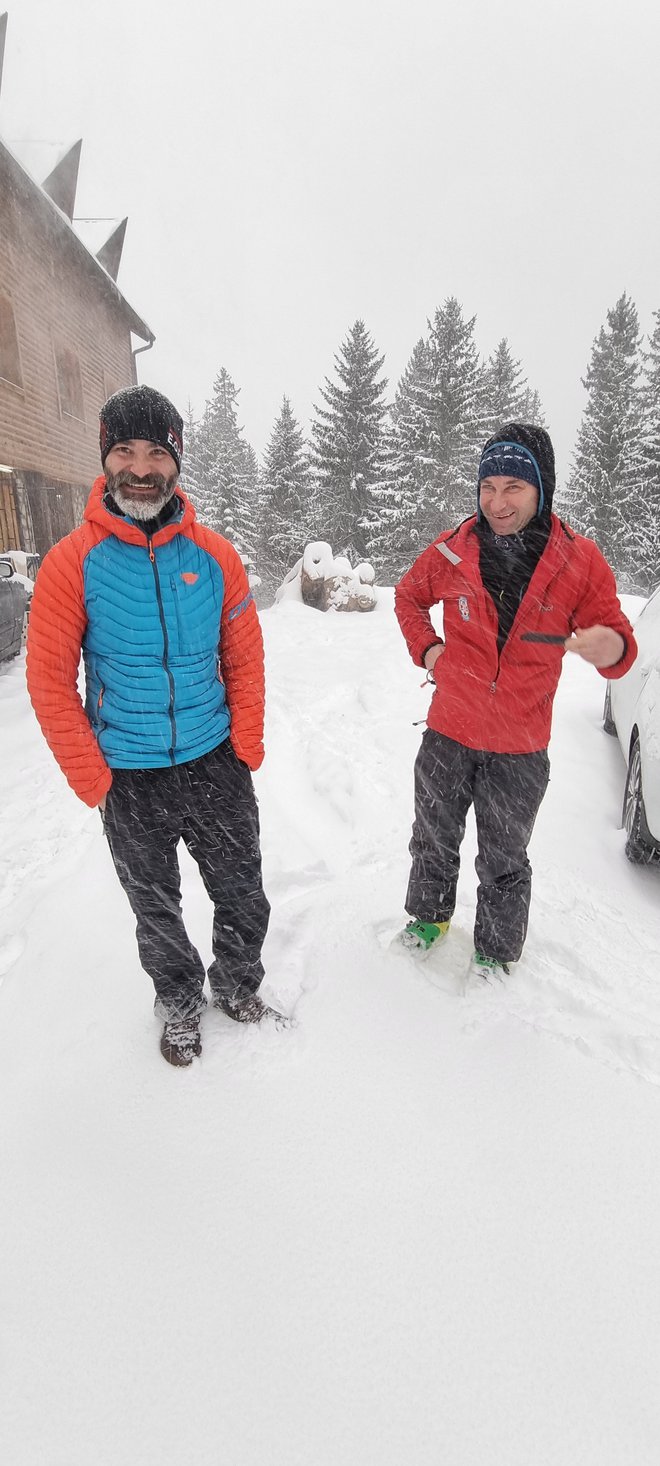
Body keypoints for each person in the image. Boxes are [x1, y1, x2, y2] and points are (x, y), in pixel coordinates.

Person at [27, 385, 275, 1066]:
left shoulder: (215, 556)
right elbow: (50, 680)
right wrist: (95, 777)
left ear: (177, 462)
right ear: (106, 458)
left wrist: (245, 746)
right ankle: (179, 1002)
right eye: (125, 450)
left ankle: (236, 984)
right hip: (129, 775)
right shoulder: (70, 563)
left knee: (243, 894)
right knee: (156, 909)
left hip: (213, 759)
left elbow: (244, 656)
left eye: (156, 452)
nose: (141, 467)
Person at [394, 422, 638, 982]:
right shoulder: (453, 551)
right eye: (488, 487)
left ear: (541, 491)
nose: (497, 503)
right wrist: (429, 651)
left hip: (520, 747)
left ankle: (496, 954)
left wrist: (614, 647)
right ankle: (429, 919)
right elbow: (409, 596)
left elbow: (618, 647)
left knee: (504, 859)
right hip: (447, 733)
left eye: (513, 488)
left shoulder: (579, 562)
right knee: (432, 836)